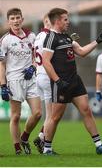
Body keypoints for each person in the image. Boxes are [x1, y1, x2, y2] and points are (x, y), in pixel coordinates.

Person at [42, 7, 102, 155]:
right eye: (65, 19)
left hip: (75, 80)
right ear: (56, 21)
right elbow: (46, 62)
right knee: (55, 117)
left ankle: (99, 145)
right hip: (61, 83)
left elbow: (81, 52)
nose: (68, 22)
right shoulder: (51, 38)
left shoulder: (67, 37)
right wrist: (57, 81)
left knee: (86, 110)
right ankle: (47, 148)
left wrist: (97, 41)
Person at [0, 8, 42, 155]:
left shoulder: (32, 36)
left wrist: (33, 67)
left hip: (31, 79)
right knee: (16, 116)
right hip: (14, 80)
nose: (16, 21)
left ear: (22, 19)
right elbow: (2, 64)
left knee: (37, 113)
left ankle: (24, 137)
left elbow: (37, 57)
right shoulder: (5, 40)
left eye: (18, 18)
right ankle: (17, 147)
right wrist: (3, 85)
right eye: (12, 18)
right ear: (8, 21)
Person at [33, 14, 52, 154]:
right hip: (47, 76)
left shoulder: (38, 36)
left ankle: (41, 137)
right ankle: (44, 144)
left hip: (38, 76)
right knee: (51, 115)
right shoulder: (49, 37)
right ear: (48, 22)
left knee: (50, 115)